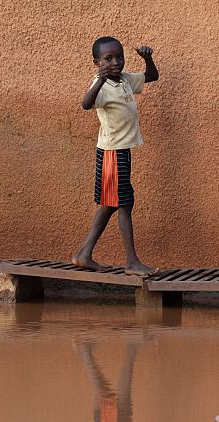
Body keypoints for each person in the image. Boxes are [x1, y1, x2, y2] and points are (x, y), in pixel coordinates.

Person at [71, 36, 159, 277]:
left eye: (119, 57)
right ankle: (131, 262)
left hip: (122, 151)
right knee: (124, 203)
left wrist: (148, 59)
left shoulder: (126, 79)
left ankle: (83, 254)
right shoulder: (101, 86)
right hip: (112, 152)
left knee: (110, 204)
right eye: (108, 59)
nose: (115, 62)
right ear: (96, 62)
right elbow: (86, 104)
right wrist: (99, 79)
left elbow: (152, 77)